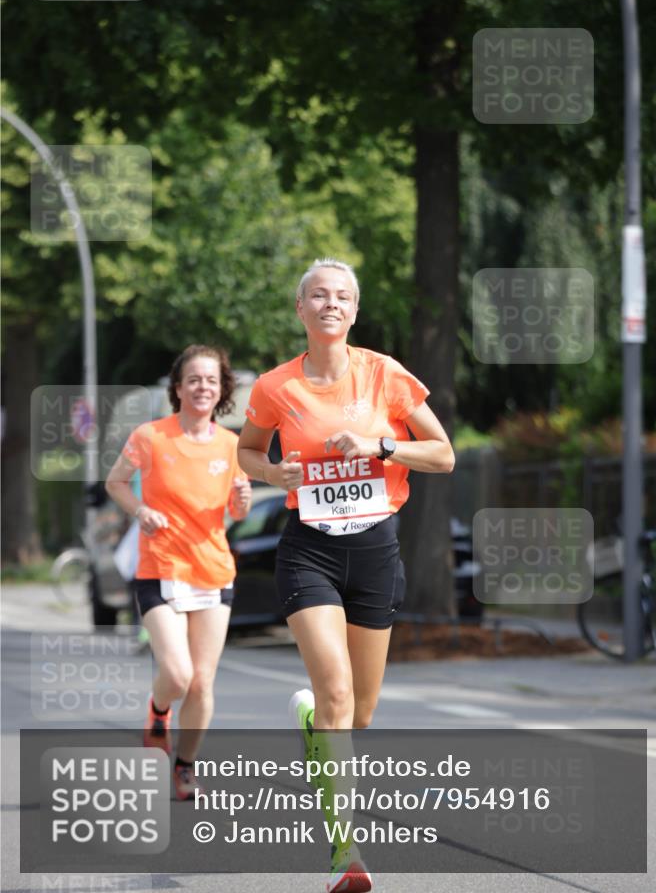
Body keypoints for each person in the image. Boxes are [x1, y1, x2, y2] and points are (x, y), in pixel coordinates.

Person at [237, 258, 454, 892]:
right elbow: (248, 450)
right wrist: (274, 474)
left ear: (354, 312)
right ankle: (344, 854)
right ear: (299, 309)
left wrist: (382, 447)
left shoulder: (384, 374)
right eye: (318, 295)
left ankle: (314, 727)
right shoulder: (277, 387)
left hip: (376, 548)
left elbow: (442, 454)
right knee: (334, 693)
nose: (331, 304)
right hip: (310, 550)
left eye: (343, 297)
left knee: (358, 713)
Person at [105, 345, 251, 799]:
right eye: (194, 379)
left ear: (222, 388)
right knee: (178, 673)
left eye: (211, 379)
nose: (203, 386)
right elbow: (114, 483)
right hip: (160, 568)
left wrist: (242, 505)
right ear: (178, 387)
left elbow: (235, 509)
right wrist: (140, 510)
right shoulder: (150, 436)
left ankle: (184, 767)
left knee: (203, 682)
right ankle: (158, 711)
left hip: (213, 570)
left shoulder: (232, 445)